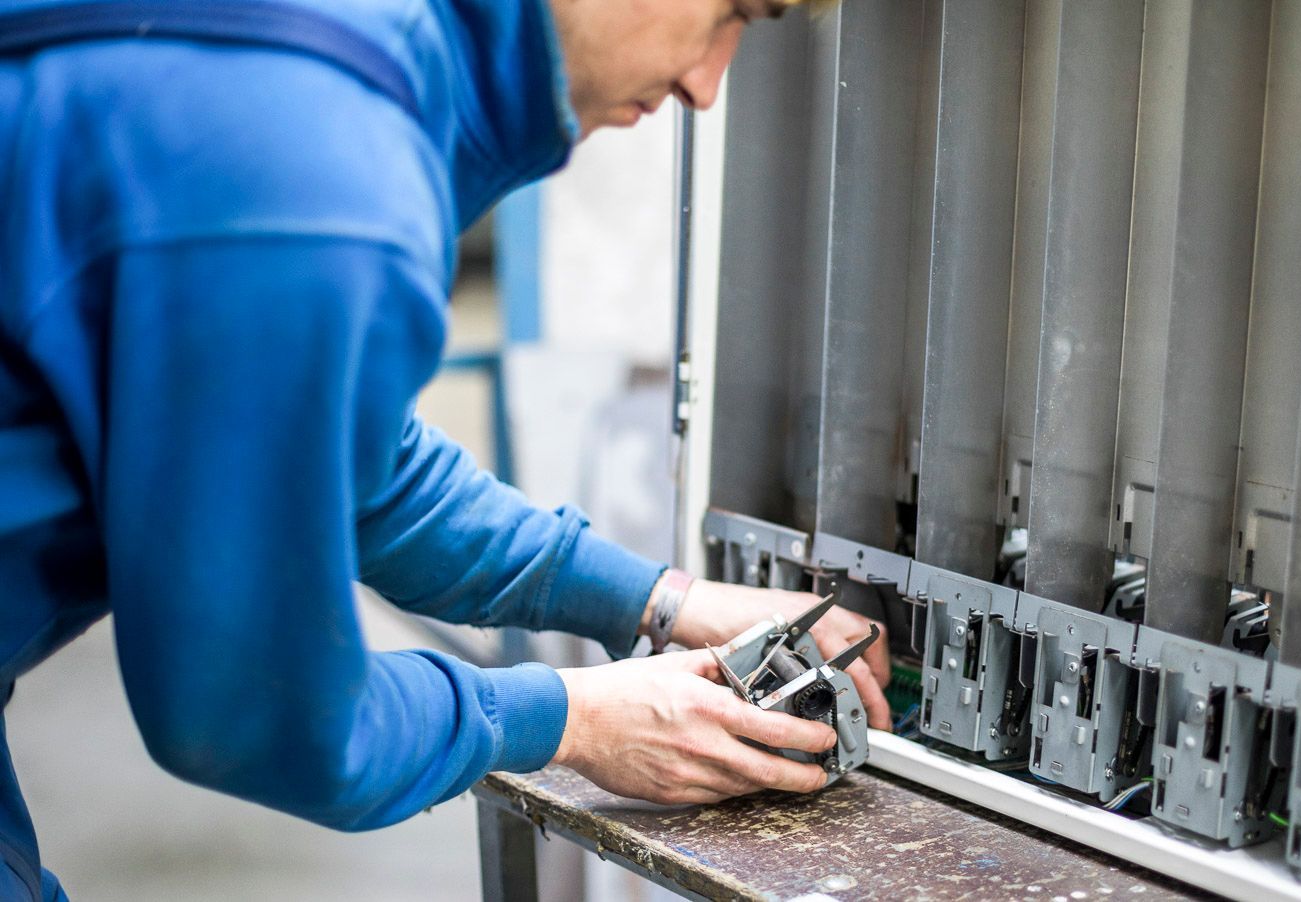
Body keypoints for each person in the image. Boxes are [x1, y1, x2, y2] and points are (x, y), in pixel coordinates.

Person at [0, 0, 890, 897]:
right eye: (729, 14)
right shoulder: (310, 172)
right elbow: (258, 713)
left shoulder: (333, 60)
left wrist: (663, 600)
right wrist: (571, 720)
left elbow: (364, 472)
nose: (707, 83)